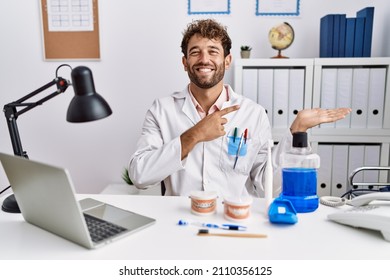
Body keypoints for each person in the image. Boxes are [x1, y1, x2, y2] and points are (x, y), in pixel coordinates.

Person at [128, 19, 350, 198]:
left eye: (213, 51)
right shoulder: (162, 110)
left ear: (227, 60)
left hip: (234, 221)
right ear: (185, 62)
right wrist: (195, 135)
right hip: (180, 222)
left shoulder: (253, 114)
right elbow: (140, 175)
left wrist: (296, 132)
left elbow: (267, 188)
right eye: (195, 52)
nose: (204, 59)